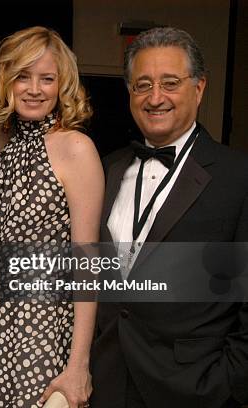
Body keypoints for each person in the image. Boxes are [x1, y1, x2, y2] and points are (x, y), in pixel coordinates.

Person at [91, 27, 248, 407]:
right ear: (129, 93)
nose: (155, 97)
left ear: (199, 88)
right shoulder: (106, 169)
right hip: (107, 384)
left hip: (194, 390)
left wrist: (225, 384)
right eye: (143, 84)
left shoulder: (238, 177)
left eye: (170, 83)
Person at [0, 26, 103, 408]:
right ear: (5, 82)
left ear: (62, 85)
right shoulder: (2, 143)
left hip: (43, 333)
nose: (34, 89)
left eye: (47, 79)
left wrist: (79, 364)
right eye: (22, 77)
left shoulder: (76, 147)